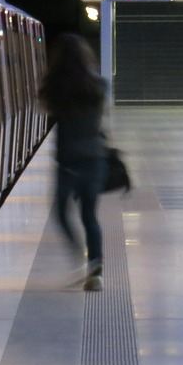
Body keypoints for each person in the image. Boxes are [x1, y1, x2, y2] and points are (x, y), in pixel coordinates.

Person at [39, 33, 108, 292]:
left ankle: (79, 255)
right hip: (95, 159)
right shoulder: (100, 86)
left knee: (60, 213)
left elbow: (47, 108)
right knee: (90, 216)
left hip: (67, 163)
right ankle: (95, 271)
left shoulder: (56, 88)